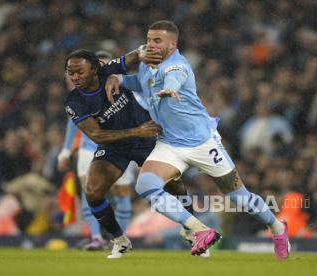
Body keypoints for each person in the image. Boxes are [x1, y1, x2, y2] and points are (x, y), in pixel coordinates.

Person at [105, 20, 290, 259]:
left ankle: (277, 227)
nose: (150, 44)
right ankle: (199, 230)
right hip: (170, 143)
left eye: (157, 41)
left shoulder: (178, 66)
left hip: (202, 142)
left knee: (239, 197)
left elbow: (174, 78)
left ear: (173, 44)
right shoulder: (145, 64)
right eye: (149, 39)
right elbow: (141, 84)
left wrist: (170, 88)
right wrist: (120, 80)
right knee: (145, 186)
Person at [64, 48, 195, 259]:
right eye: (71, 73)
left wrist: (148, 50)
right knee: (92, 190)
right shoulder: (74, 102)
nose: (75, 77)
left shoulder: (108, 71)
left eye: (80, 72)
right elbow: (97, 135)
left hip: (146, 140)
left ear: (95, 69)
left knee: (175, 185)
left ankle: (191, 227)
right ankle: (119, 240)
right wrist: (136, 131)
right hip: (115, 145)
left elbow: (135, 55)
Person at [58, 50, 136, 250]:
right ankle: (96, 238)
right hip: (88, 148)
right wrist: (66, 150)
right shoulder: (81, 95)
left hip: (121, 148)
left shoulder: (123, 86)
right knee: (89, 193)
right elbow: (72, 123)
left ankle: (121, 240)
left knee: (121, 194)